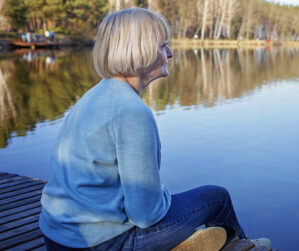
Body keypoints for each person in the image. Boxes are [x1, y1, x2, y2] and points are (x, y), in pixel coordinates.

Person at [39, 7, 271, 251]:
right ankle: (245, 246)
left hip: (57, 237)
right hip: (103, 244)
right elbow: (146, 215)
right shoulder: (132, 112)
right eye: (162, 46)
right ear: (141, 51)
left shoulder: (95, 95)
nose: (169, 54)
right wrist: (164, 195)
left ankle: (197, 243)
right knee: (217, 198)